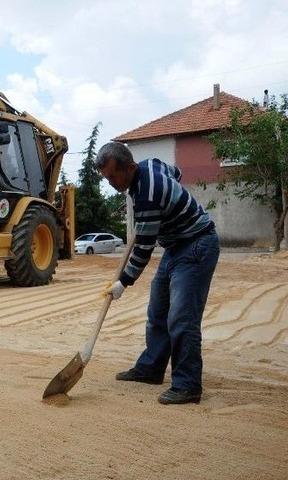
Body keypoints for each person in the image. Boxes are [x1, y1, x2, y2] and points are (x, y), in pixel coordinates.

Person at [96, 142, 219, 405]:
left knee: (181, 318)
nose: (110, 183)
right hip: (175, 246)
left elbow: (143, 248)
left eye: (112, 176)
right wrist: (171, 201)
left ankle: (187, 385)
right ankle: (151, 369)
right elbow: (175, 172)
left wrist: (123, 282)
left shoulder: (147, 196)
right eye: (106, 178)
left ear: (129, 167)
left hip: (196, 245)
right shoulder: (150, 165)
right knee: (158, 312)